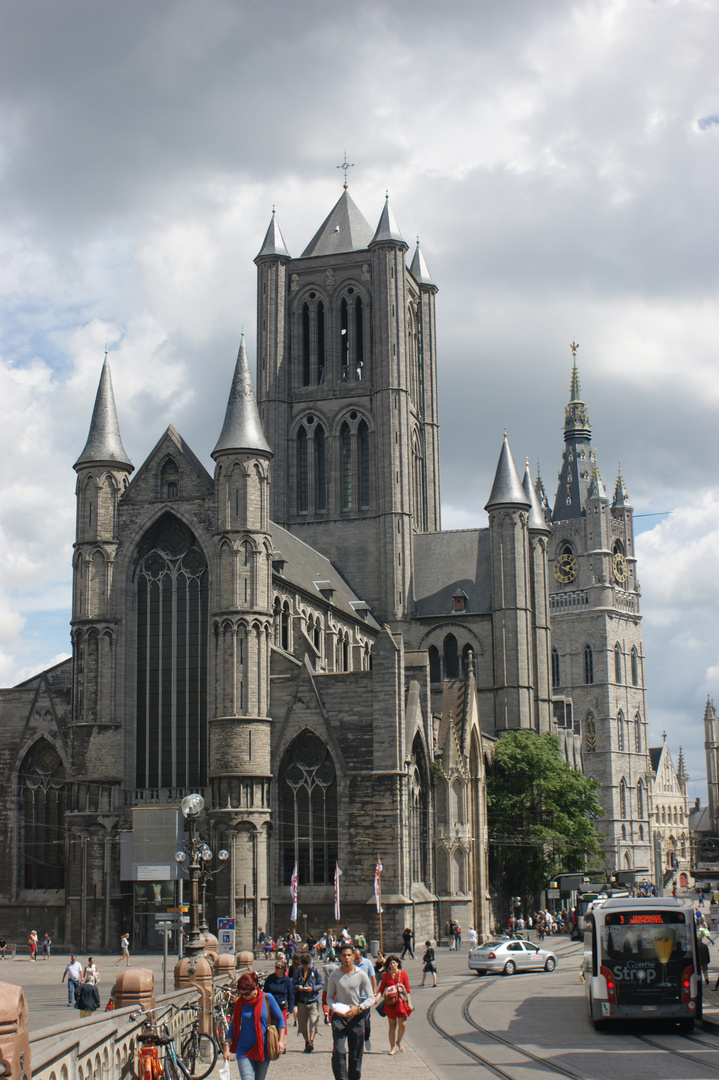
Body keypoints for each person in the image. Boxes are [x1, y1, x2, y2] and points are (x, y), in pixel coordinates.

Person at [223, 970, 286, 1080]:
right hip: (244, 1049)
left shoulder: (267, 998)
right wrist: (227, 1046)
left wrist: (281, 1040)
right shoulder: (241, 1003)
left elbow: (281, 1020)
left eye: (247, 993)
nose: (244, 996)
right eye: (241, 994)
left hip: (263, 1049)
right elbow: (234, 1025)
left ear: (255, 988)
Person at [327, 943, 373, 1080]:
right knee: (339, 1051)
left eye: (349, 955)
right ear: (340, 957)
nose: (347, 958)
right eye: (344, 955)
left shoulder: (361, 975)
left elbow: (371, 997)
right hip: (339, 1017)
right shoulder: (334, 975)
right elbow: (329, 997)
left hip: (356, 1016)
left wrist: (359, 1008)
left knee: (355, 1054)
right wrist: (334, 1008)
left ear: (353, 956)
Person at [375, 954, 412, 1055]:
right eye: (391, 963)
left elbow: (407, 990)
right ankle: (392, 1048)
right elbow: (381, 989)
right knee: (392, 1025)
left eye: (394, 963)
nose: (392, 965)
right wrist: (377, 998)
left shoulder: (403, 974)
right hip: (390, 1003)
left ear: (397, 964)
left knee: (403, 1024)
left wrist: (409, 1002)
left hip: (401, 1002)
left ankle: (398, 1041)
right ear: (389, 965)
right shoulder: (386, 975)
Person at [292, 950, 323, 1053]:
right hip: (302, 1001)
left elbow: (321, 984)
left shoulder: (316, 971)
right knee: (302, 1023)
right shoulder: (298, 971)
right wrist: (298, 987)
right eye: (304, 965)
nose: (305, 967)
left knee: (313, 1021)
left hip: (313, 1000)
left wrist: (312, 989)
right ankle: (306, 1042)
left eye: (307, 965)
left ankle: (311, 1041)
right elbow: (293, 984)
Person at [263, 958, 294, 1030]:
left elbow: (291, 995)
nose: (276, 969)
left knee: (282, 1025)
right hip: (271, 1006)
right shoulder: (270, 978)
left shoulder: (287, 980)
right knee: (270, 1026)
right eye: (275, 967)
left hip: (282, 1006)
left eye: (278, 968)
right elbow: (265, 992)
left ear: (283, 969)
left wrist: (290, 1010)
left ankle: (282, 1040)